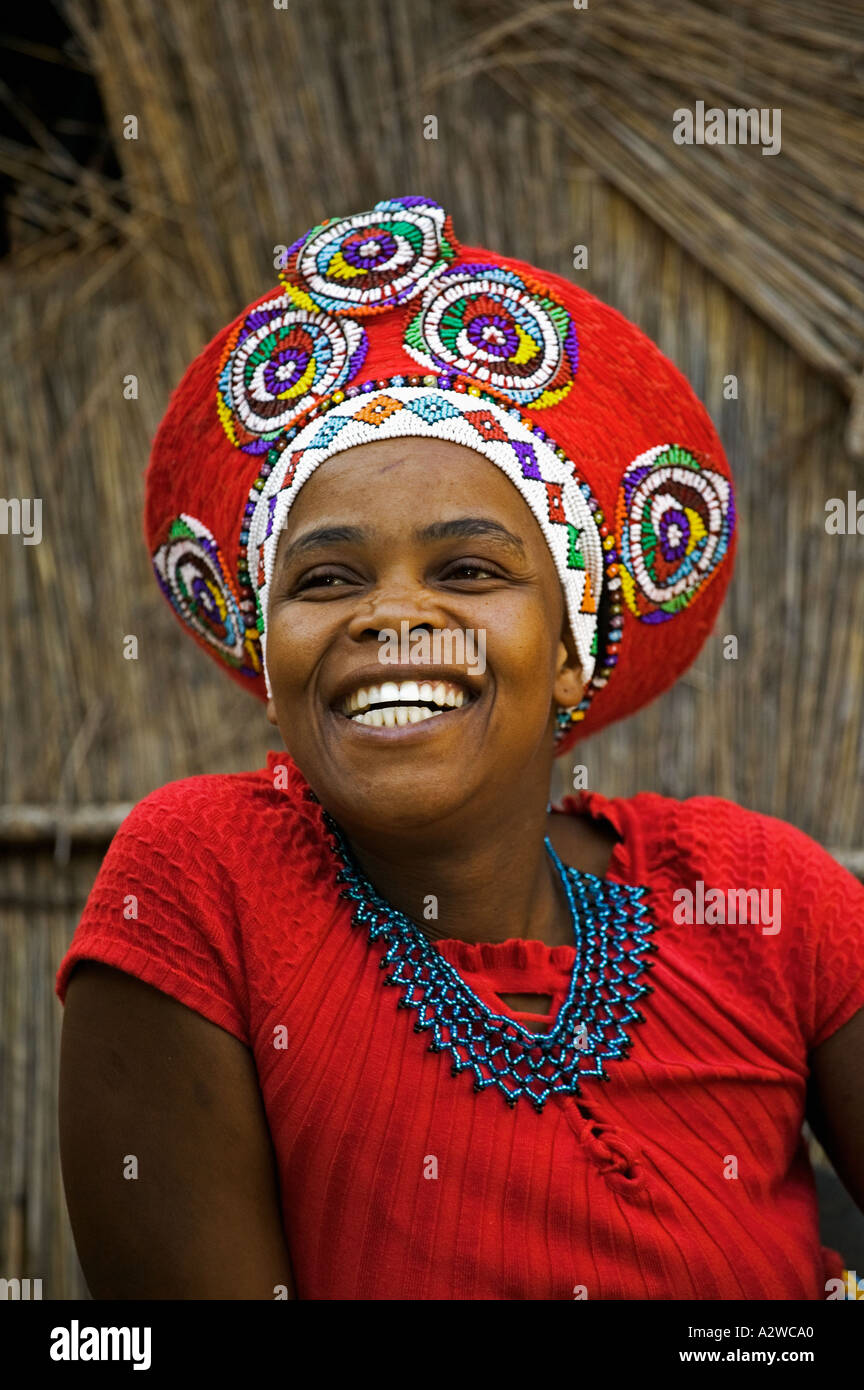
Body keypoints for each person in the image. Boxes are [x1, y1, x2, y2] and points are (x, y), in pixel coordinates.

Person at [56, 195, 864, 1300]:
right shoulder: (204, 883)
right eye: (325, 579)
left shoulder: (756, 898)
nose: (391, 617)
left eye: (469, 571)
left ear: (572, 653)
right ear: (271, 656)